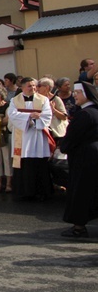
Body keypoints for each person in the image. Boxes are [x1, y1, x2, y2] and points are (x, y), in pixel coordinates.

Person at [59, 81, 98, 237]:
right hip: (93, 154)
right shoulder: (95, 111)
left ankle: (78, 227)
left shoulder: (85, 114)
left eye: (78, 92)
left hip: (84, 156)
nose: (74, 95)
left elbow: (72, 138)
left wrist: (64, 147)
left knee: (81, 191)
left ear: (86, 94)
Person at [7, 77, 53, 201]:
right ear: (22, 87)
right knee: (24, 164)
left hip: (38, 135)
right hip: (22, 135)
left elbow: (48, 114)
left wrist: (35, 119)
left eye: (34, 86)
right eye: (29, 86)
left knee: (39, 163)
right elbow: (12, 115)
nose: (33, 88)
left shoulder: (43, 99)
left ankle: (42, 192)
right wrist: (30, 117)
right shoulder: (14, 100)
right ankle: (24, 192)